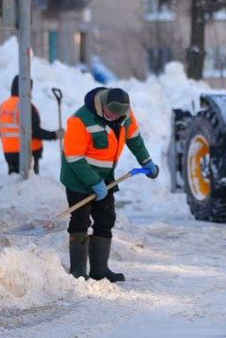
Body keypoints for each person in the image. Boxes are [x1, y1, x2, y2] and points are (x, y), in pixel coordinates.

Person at [61, 87, 159, 282]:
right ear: (103, 105)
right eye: (111, 113)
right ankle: (78, 271)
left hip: (106, 177)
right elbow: (74, 157)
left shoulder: (125, 114)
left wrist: (146, 161)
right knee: (80, 220)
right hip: (78, 178)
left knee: (106, 220)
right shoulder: (80, 120)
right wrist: (94, 182)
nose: (114, 117)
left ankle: (100, 270)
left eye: (118, 115)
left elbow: (134, 139)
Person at [0, 75, 61, 175]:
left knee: (14, 185)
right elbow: (35, 131)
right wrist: (55, 135)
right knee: (29, 186)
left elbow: (0, 130)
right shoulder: (26, 106)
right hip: (28, 153)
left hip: (9, 154)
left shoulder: (4, 106)